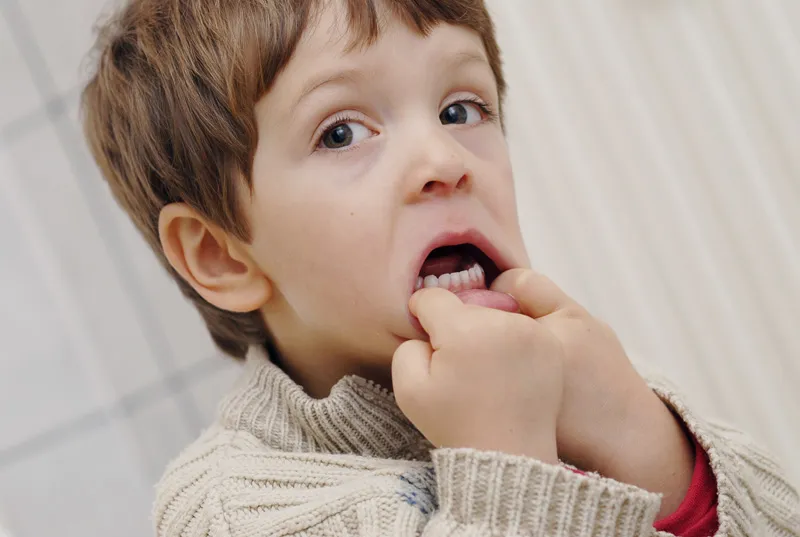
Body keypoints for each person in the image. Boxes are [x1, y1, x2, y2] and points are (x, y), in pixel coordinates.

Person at [81, 0, 799, 536]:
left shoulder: (575, 378)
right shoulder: (230, 507)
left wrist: (652, 446)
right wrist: (510, 462)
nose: (445, 161)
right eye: (341, 132)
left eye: (462, 109)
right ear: (222, 254)